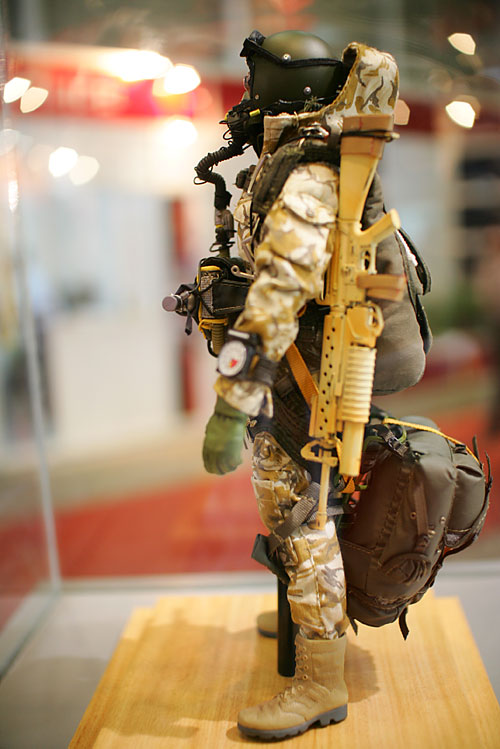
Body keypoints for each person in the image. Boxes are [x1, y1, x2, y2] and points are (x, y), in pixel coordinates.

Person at [201, 29, 430, 741]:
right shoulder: (297, 160)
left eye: (256, 81)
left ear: (282, 85)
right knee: (294, 508)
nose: (246, 97)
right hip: (300, 364)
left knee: (302, 519)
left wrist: (232, 403)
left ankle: (321, 680)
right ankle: (307, 620)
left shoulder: (307, 176)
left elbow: (277, 298)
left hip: (308, 372)